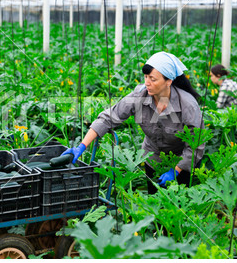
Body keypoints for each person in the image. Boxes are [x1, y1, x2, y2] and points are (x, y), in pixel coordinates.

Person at [62, 52, 205, 192]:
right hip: (153, 159)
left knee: (179, 205)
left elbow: (196, 145)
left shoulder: (188, 105)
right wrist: (81, 147)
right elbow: (108, 118)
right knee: (153, 203)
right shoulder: (139, 96)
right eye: (146, 77)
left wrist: (176, 171)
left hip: (183, 162)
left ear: (168, 81)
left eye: (153, 79)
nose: (147, 83)